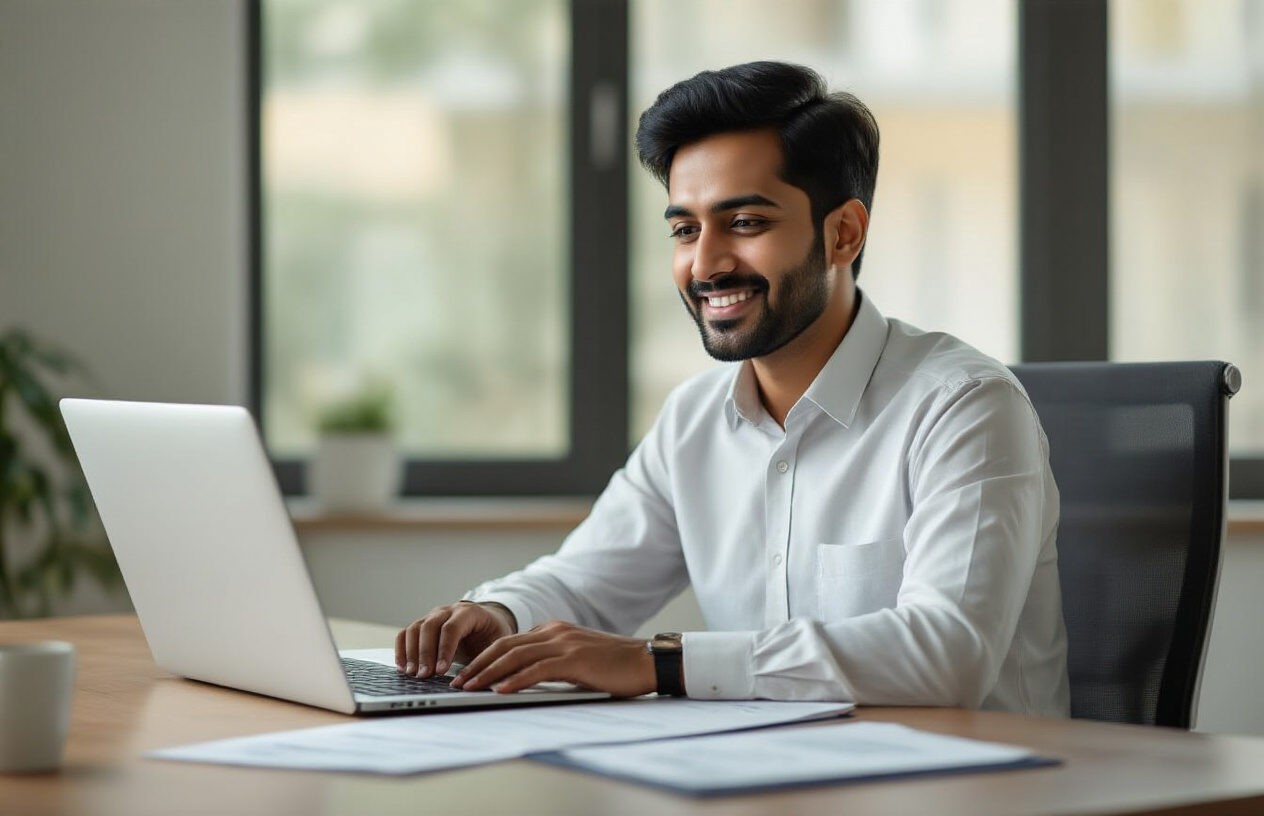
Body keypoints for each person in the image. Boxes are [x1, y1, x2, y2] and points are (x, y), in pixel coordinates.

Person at [395, 61, 1070, 715]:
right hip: (772, 777)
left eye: (745, 223)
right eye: (685, 229)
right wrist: (498, 613)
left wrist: (659, 664)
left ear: (843, 233)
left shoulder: (965, 407)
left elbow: (948, 654)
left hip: (977, 784)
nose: (706, 263)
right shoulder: (695, 420)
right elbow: (587, 580)